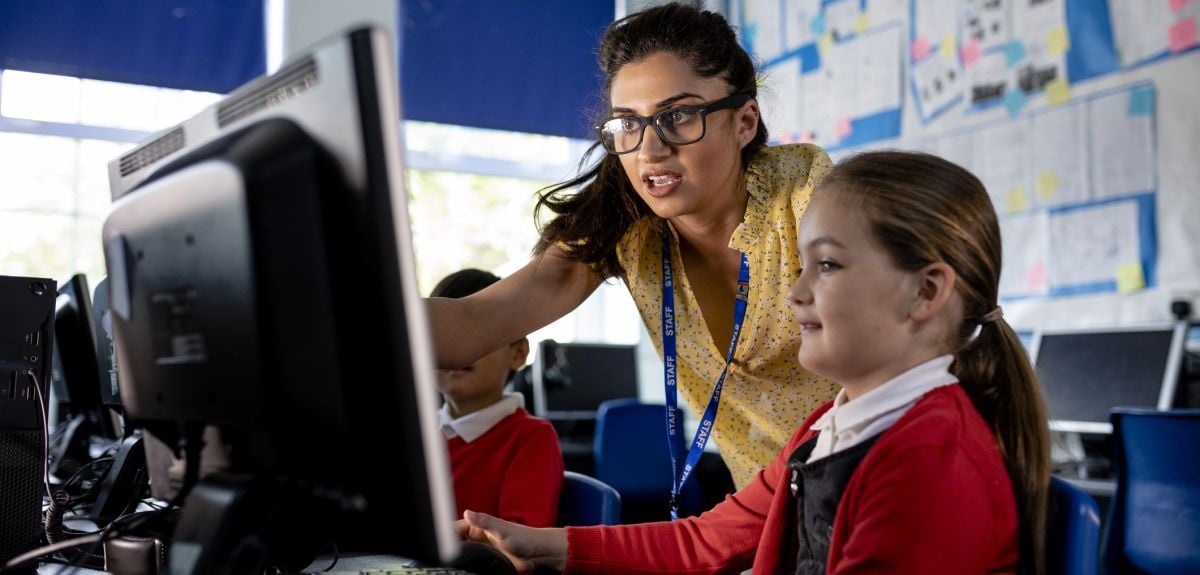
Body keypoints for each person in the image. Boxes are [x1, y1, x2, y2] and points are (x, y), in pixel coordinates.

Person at [454, 151, 1052, 575]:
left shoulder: (930, 465)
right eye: (801, 264)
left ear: (926, 293)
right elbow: (708, 540)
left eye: (827, 265)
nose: (795, 294)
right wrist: (542, 545)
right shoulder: (830, 427)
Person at [427, 2, 839, 490]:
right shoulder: (624, 226)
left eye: (679, 115)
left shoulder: (808, 199)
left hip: (884, 475)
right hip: (771, 505)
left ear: (745, 122)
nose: (649, 149)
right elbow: (474, 323)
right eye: (628, 124)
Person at [432, 269, 564, 528]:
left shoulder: (531, 438)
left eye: (473, 333)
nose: (457, 349)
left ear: (517, 354)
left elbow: (520, 552)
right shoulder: (417, 434)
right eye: (442, 334)